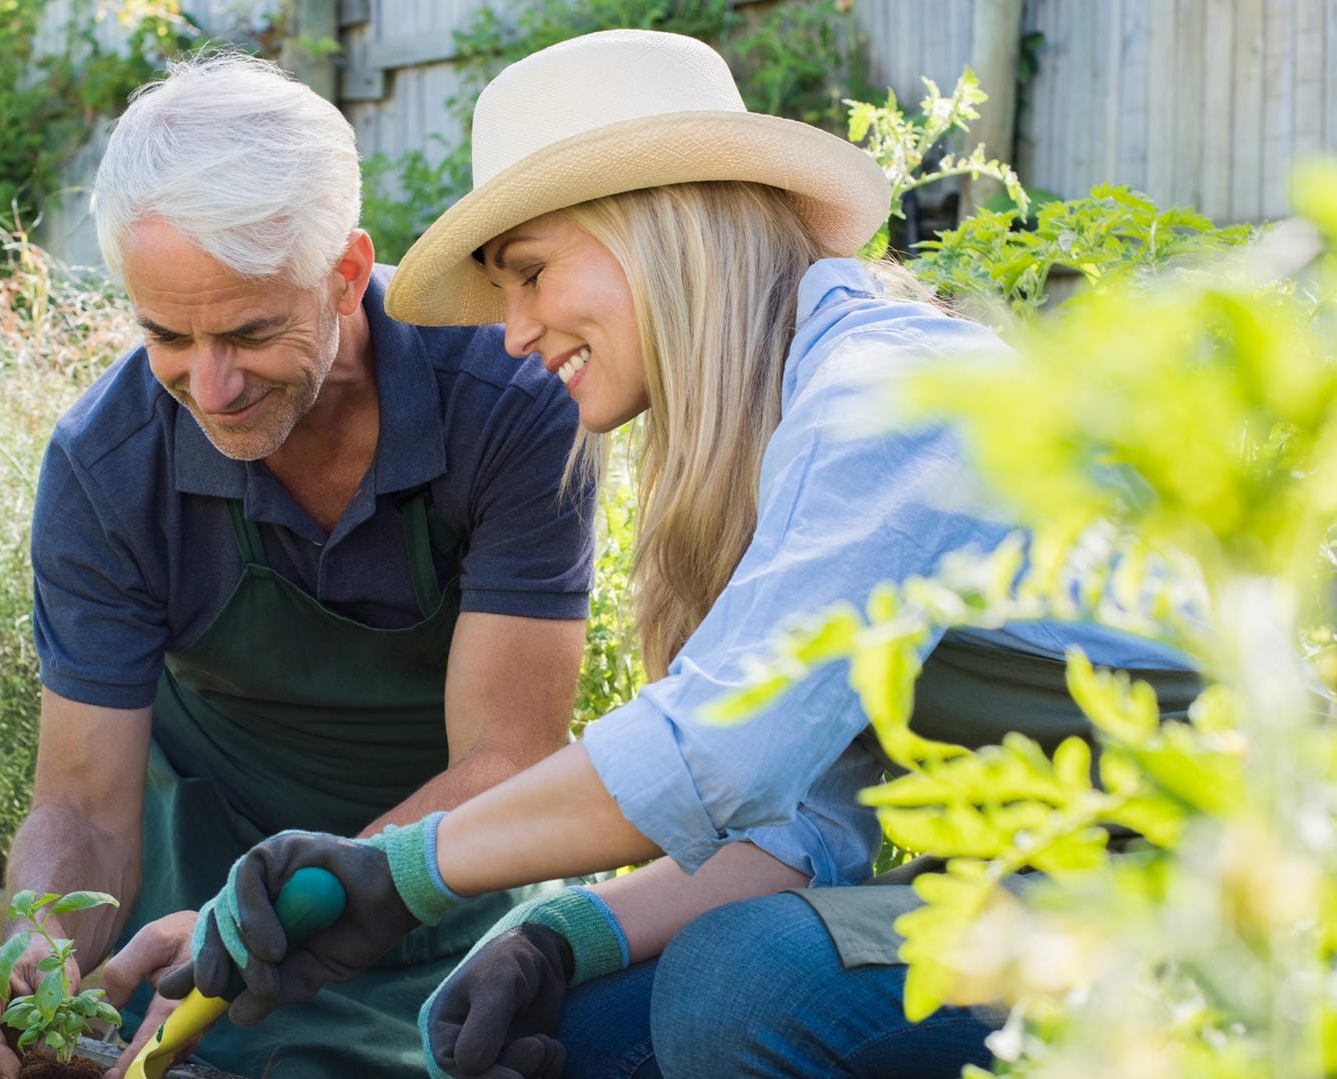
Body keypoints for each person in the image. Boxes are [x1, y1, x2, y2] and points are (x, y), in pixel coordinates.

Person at [162, 29, 1201, 1079]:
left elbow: (716, 750)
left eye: (528, 272)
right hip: (1035, 894)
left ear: (659, 226)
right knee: (582, 1024)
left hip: (1225, 892)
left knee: (744, 977)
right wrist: (558, 935)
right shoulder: (780, 435)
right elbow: (803, 834)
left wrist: (402, 871)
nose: (512, 332)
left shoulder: (888, 398)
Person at [0, 52, 608, 1079]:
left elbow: (507, 759)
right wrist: (40, 939)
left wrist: (300, 900)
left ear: (346, 272)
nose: (208, 386)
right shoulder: (108, 464)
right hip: (202, 930)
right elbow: (80, 804)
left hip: (445, 892)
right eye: (167, 333)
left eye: (250, 331)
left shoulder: (506, 402)